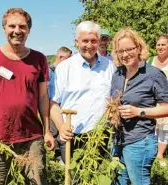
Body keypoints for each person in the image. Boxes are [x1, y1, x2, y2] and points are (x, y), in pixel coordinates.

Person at [0, 8, 55, 185]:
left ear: (29, 30)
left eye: (22, 27)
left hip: (32, 138)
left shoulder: (39, 59)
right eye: (12, 26)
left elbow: (42, 98)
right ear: (4, 29)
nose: (17, 31)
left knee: (37, 181)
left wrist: (47, 131)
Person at [49, 21, 115, 163]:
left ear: (98, 41)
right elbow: (53, 103)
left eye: (93, 41)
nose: (89, 45)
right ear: (76, 42)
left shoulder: (109, 66)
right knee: (74, 177)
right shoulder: (65, 68)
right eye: (85, 41)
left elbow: (114, 99)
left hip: (100, 134)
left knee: (97, 177)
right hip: (72, 135)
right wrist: (61, 127)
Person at [110, 28, 168, 185]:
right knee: (118, 181)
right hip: (117, 139)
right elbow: (113, 101)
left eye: (129, 49)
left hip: (140, 140)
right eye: (120, 51)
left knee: (139, 182)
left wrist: (139, 112)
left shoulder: (153, 74)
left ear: (138, 48)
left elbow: (166, 108)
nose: (125, 54)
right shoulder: (117, 74)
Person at [48, 47, 72, 162]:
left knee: (60, 133)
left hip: (62, 107)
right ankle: (55, 158)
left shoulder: (67, 71)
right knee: (54, 132)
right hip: (51, 107)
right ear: (61, 57)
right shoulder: (50, 71)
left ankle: (59, 158)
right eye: (68, 58)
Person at [147, 35, 168, 167]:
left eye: (163, 44)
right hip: (150, 98)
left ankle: (160, 154)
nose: (160, 47)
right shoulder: (149, 61)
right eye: (158, 44)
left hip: (166, 100)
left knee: (165, 128)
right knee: (151, 126)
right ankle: (150, 151)